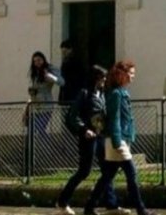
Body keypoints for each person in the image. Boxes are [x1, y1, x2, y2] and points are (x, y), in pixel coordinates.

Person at [84, 60, 156, 215]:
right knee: (131, 173)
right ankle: (141, 209)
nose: (133, 76)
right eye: (131, 73)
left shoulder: (121, 92)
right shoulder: (116, 94)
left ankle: (89, 207)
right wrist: (117, 141)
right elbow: (114, 118)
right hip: (117, 140)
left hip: (119, 139)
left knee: (107, 176)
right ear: (121, 74)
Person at [55, 65, 122, 215]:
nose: (104, 80)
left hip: (100, 135)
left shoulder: (102, 94)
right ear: (95, 78)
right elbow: (72, 116)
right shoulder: (84, 94)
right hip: (88, 138)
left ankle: (111, 204)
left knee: (107, 170)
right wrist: (84, 129)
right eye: (102, 77)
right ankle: (62, 202)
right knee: (84, 171)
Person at [28, 51, 64, 135]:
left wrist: (52, 78)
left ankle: (45, 143)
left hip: (46, 105)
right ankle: (35, 144)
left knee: (40, 128)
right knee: (31, 130)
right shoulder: (35, 73)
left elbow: (62, 82)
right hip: (35, 106)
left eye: (39, 60)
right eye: (35, 61)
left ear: (43, 59)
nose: (37, 63)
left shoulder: (50, 69)